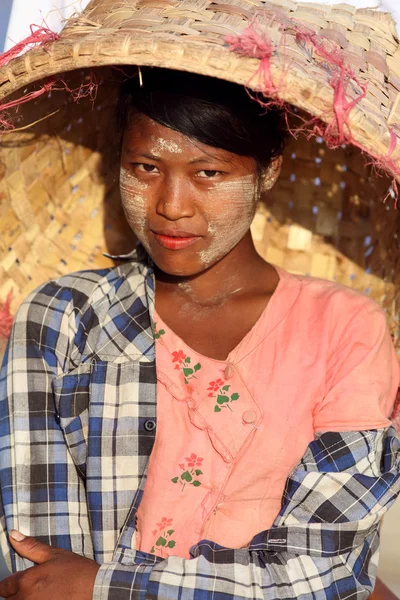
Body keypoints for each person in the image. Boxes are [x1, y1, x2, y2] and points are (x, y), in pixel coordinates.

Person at [0, 64, 399, 599]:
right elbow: (42, 569)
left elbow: (327, 570)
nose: (171, 205)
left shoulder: (344, 328)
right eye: (145, 167)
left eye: (208, 173)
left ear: (269, 170)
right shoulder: (67, 316)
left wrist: (105, 587)